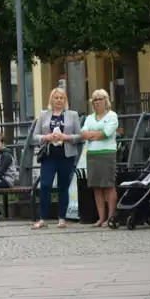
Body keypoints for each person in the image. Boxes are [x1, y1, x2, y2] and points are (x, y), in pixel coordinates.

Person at [32, 87, 82, 230]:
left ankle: (62, 218)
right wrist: (46, 137)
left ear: (65, 100)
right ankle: (42, 219)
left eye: (61, 98)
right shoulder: (43, 115)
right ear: (51, 100)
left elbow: (79, 136)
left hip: (66, 155)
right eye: (56, 97)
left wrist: (65, 137)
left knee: (63, 186)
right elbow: (35, 136)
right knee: (45, 185)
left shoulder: (72, 115)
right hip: (48, 155)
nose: (59, 100)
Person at [81, 89, 119, 227]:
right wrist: (94, 134)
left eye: (100, 99)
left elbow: (106, 133)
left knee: (108, 185)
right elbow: (83, 133)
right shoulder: (89, 117)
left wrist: (92, 134)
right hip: (92, 154)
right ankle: (101, 218)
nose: (97, 102)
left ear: (106, 100)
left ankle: (111, 217)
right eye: (94, 100)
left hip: (107, 153)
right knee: (96, 187)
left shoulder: (112, 116)